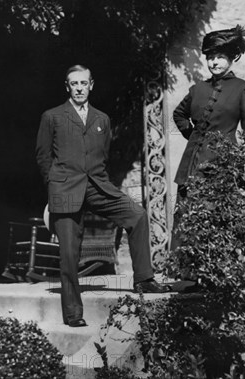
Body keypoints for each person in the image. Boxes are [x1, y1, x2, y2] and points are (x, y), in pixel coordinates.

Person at [36, 65, 170, 328]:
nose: (78, 88)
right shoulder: (52, 117)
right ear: (67, 87)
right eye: (73, 84)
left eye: (83, 83)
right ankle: (73, 313)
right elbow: (43, 157)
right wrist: (54, 185)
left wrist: (100, 179)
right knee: (69, 255)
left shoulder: (102, 119)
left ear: (91, 85)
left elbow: (103, 154)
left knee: (137, 214)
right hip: (65, 190)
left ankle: (143, 278)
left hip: (98, 186)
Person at [172, 25, 245, 249]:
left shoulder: (243, 89)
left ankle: (215, 278)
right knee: (187, 215)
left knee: (216, 218)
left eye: (220, 57)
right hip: (190, 165)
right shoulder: (197, 89)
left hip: (221, 165)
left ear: (231, 58)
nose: (214, 62)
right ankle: (189, 275)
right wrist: (192, 136)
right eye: (210, 57)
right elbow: (179, 114)